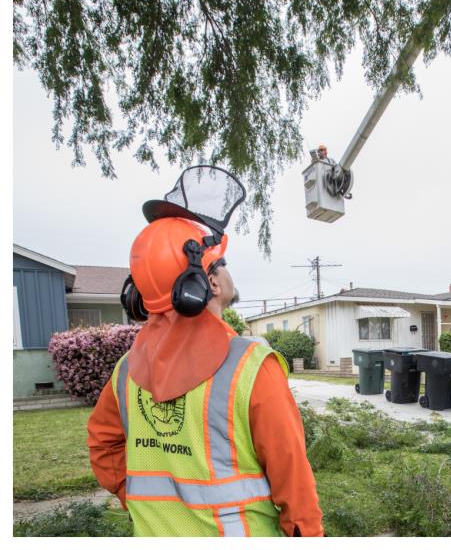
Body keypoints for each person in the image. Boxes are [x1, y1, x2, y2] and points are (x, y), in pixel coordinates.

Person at [87, 166, 323, 536]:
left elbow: (104, 448)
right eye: (222, 262)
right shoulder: (251, 368)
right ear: (206, 282)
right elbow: (294, 481)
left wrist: (138, 500)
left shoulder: (126, 373)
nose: (228, 270)